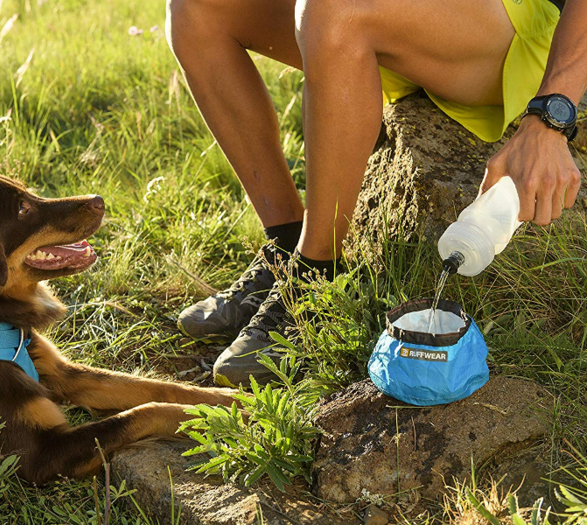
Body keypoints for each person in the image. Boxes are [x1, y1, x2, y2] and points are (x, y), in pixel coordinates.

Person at [164, 0, 585, 387]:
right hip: (398, 19)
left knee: (334, 6)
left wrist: (552, 116)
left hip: (515, 32)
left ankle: (315, 277)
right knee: (197, 9)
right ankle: (286, 244)